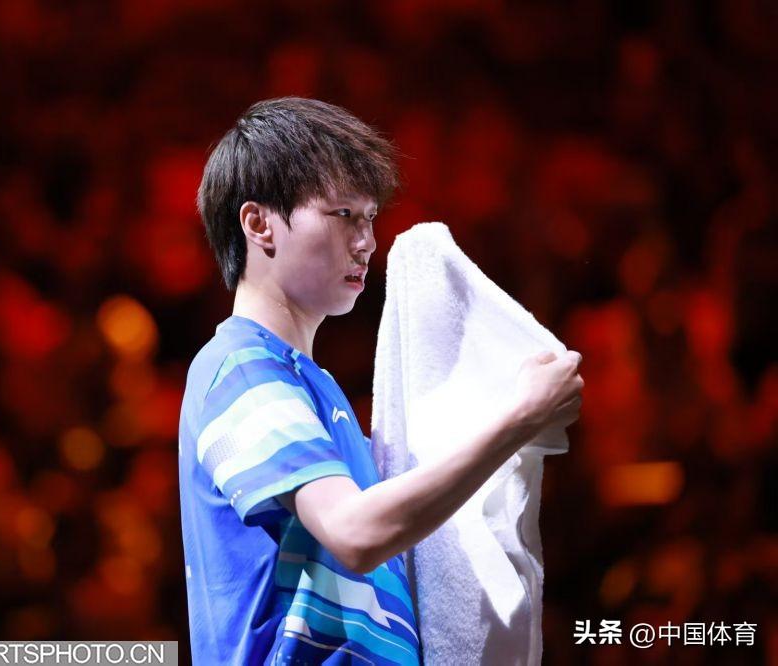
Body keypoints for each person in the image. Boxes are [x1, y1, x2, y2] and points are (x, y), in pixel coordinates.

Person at [178, 97, 584, 665]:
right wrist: (520, 418)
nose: (367, 241)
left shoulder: (316, 390)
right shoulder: (241, 368)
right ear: (259, 223)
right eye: (343, 213)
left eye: (370, 218)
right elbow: (355, 532)